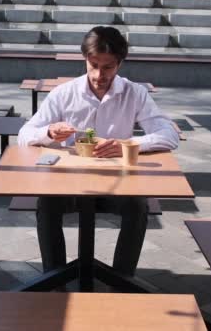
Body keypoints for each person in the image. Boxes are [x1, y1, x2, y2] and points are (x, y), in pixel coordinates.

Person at [18, 26, 179, 277]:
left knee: (138, 206)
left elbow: (169, 135)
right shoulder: (64, 93)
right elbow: (24, 135)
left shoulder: (134, 93)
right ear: (85, 59)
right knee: (47, 204)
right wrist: (49, 132)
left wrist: (127, 145)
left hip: (117, 184)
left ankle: (122, 278)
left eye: (108, 67)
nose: (99, 74)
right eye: (93, 65)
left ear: (120, 64)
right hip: (68, 183)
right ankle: (54, 275)